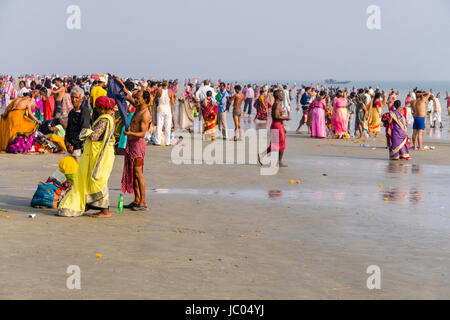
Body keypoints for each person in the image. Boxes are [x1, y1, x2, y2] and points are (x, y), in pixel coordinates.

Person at [57, 96, 116, 218]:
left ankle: (105, 211)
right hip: (100, 153)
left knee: (98, 180)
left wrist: (87, 132)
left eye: (98, 108)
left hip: (100, 154)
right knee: (95, 179)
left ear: (102, 108)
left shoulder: (105, 119)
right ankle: (94, 205)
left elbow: (95, 136)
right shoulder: (111, 117)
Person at [121, 89, 152, 211]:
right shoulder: (138, 107)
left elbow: (142, 134)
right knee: (133, 173)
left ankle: (143, 202)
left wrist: (130, 133)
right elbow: (128, 97)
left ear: (144, 99)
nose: (136, 99)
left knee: (138, 173)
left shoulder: (145, 113)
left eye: (138, 97)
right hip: (131, 143)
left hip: (138, 145)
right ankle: (136, 200)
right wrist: (121, 86)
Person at [258, 89, 290, 168]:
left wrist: (283, 126)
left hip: (278, 125)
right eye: (282, 94)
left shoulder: (277, 104)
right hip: (277, 125)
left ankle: (276, 160)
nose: (283, 96)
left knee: (277, 144)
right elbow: (276, 116)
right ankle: (277, 161)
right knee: (280, 144)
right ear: (278, 96)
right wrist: (286, 117)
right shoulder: (277, 105)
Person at [65, 86, 91, 158]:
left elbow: (84, 131)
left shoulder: (85, 112)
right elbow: (68, 130)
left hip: (79, 148)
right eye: (72, 97)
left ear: (82, 99)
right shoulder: (71, 113)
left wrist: (72, 144)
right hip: (70, 147)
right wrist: (67, 143)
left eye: (76, 98)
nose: (74, 100)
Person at [154, 81, 175, 146]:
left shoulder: (159, 91)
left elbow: (154, 100)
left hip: (160, 108)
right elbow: (172, 103)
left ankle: (158, 141)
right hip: (167, 109)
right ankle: (167, 142)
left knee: (159, 125)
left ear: (162, 85)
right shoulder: (170, 92)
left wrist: (158, 102)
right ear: (168, 85)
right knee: (168, 126)